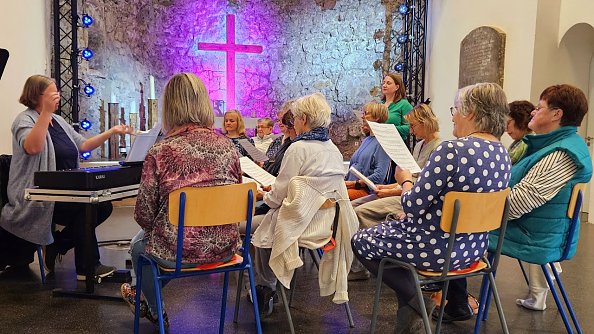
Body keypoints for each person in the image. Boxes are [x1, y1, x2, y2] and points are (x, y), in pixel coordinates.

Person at [351, 82, 512, 333]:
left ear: (471, 113)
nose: (454, 117)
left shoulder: (452, 150)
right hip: (473, 250)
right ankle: (412, 309)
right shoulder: (502, 153)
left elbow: (413, 204)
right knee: (389, 230)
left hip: (434, 249)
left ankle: (417, 301)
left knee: (361, 239)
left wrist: (404, 179)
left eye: (455, 110)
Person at [120, 73, 242, 329]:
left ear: (170, 107)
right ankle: (145, 299)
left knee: (139, 248)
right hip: (226, 248)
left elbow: (143, 215)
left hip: (179, 251)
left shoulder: (160, 151)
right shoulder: (229, 147)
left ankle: (155, 310)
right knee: (150, 246)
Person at [0, 74, 131, 278]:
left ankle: (58, 244)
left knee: (102, 205)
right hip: (38, 196)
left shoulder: (59, 121)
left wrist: (112, 131)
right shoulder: (24, 120)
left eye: (57, 93)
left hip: (66, 192)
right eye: (52, 94)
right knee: (86, 207)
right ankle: (88, 268)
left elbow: (83, 145)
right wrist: (45, 114)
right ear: (37, 96)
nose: (57, 97)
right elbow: (32, 147)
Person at [251, 93, 359, 316]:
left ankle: (264, 288)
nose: (294, 122)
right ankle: (264, 286)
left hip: (298, 224)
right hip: (327, 224)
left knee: (249, 227)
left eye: (297, 117)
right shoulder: (332, 149)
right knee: (262, 226)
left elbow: (278, 197)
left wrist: (264, 197)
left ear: (305, 119)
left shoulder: (297, 149)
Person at [344, 102, 391, 200]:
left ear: (377, 117)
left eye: (366, 113)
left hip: (366, 190)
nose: (362, 117)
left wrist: (354, 184)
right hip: (352, 186)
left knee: (336, 198)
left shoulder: (382, 142)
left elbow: (379, 176)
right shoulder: (367, 140)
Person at [382, 73, 413, 141]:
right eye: (383, 83)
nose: (384, 85)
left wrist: (391, 129)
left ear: (397, 87)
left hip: (396, 144)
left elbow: (410, 127)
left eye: (388, 83)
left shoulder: (404, 104)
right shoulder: (380, 104)